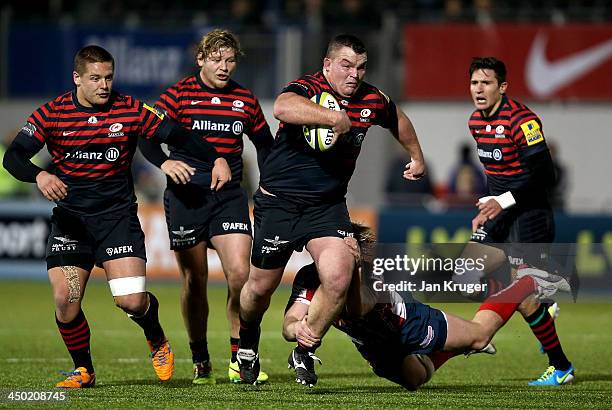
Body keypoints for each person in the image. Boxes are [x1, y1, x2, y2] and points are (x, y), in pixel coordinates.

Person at [2, 45, 231, 388]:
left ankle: (155, 336)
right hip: (72, 225)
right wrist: (39, 175)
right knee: (67, 299)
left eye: (109, 77)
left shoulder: (131, 109)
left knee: (131, 301)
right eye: (95, 78)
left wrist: (216, 157)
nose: (104, 85)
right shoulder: (51, 114)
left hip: (116, 224)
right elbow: (14, 156)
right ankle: (84, 370)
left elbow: (177, 134)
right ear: (77, 78)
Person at [236, 33, 426, 387]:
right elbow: (281, 106)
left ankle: (304, 348)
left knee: (339, 275)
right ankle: (246, 344)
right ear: (327, 65)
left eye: (361, 67)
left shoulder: (372, 98)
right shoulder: (308, 87)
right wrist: (330, 117)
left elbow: (396, 117)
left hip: (326, 206)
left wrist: (416, 154)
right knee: (260, 288)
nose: (354, 74)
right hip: (279, 203)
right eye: (346, 65)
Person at [283, 224, 572, 390]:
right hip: (376, 347)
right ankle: (454, 347)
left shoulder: (364, 269)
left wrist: (357, 270)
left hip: (410, 323)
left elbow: (359, 310)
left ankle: (524, 284)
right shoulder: (309, 277)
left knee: (480, 335)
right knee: (416, 381)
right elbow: (290, 322)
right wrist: (298, 329)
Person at [138, 29, 272, 385]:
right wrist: (164, 164)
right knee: (194, 281)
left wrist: (274, 185)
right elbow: (146, 136)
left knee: (241, 275)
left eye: (230, 60)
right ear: (200, 59)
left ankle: (239, 356)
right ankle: (200, 359)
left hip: (229, 197)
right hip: (186, 198)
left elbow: (266, 145)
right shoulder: (178, 95)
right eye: (217, 59)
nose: (224, 67)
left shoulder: (245, 99)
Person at [467, 56, 573, 386]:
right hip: (500, 213)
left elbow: (546, 175)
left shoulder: (522, 121)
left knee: (523, 299)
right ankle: (543, 295)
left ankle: (561, 368)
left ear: (503, 87)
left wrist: (504, 201)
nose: (479, 89)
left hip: (531, 216)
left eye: (486, 83)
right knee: (467, 273)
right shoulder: (475, 122)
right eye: (474, 83)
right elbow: (497, 175)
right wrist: (486, 207)